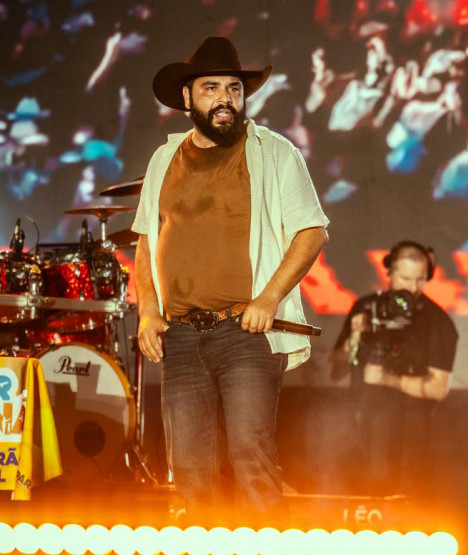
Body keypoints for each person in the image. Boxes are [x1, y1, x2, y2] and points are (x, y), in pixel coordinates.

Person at [132, 37, 329, 523]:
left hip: (245, 331)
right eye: (211, 88)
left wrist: (269, 298)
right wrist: (148, 311)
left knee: (252, 461)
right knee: (191, 472)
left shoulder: (273, 152)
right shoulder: (164, 160)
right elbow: (145, 240)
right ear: (187, 98)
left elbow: (312, 231)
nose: (225, 99)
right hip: (179, 336)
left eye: (234, 89)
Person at [331, 241, 458, 497]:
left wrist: (387, 379)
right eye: (405, 278)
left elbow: (437, 388)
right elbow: (336, 370)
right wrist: (354, 336)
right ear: (388, 273)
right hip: (356, 430)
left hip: (408, 441)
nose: (411, 288)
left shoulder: (438, 323)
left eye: (419, 280)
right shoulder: (367, 308)